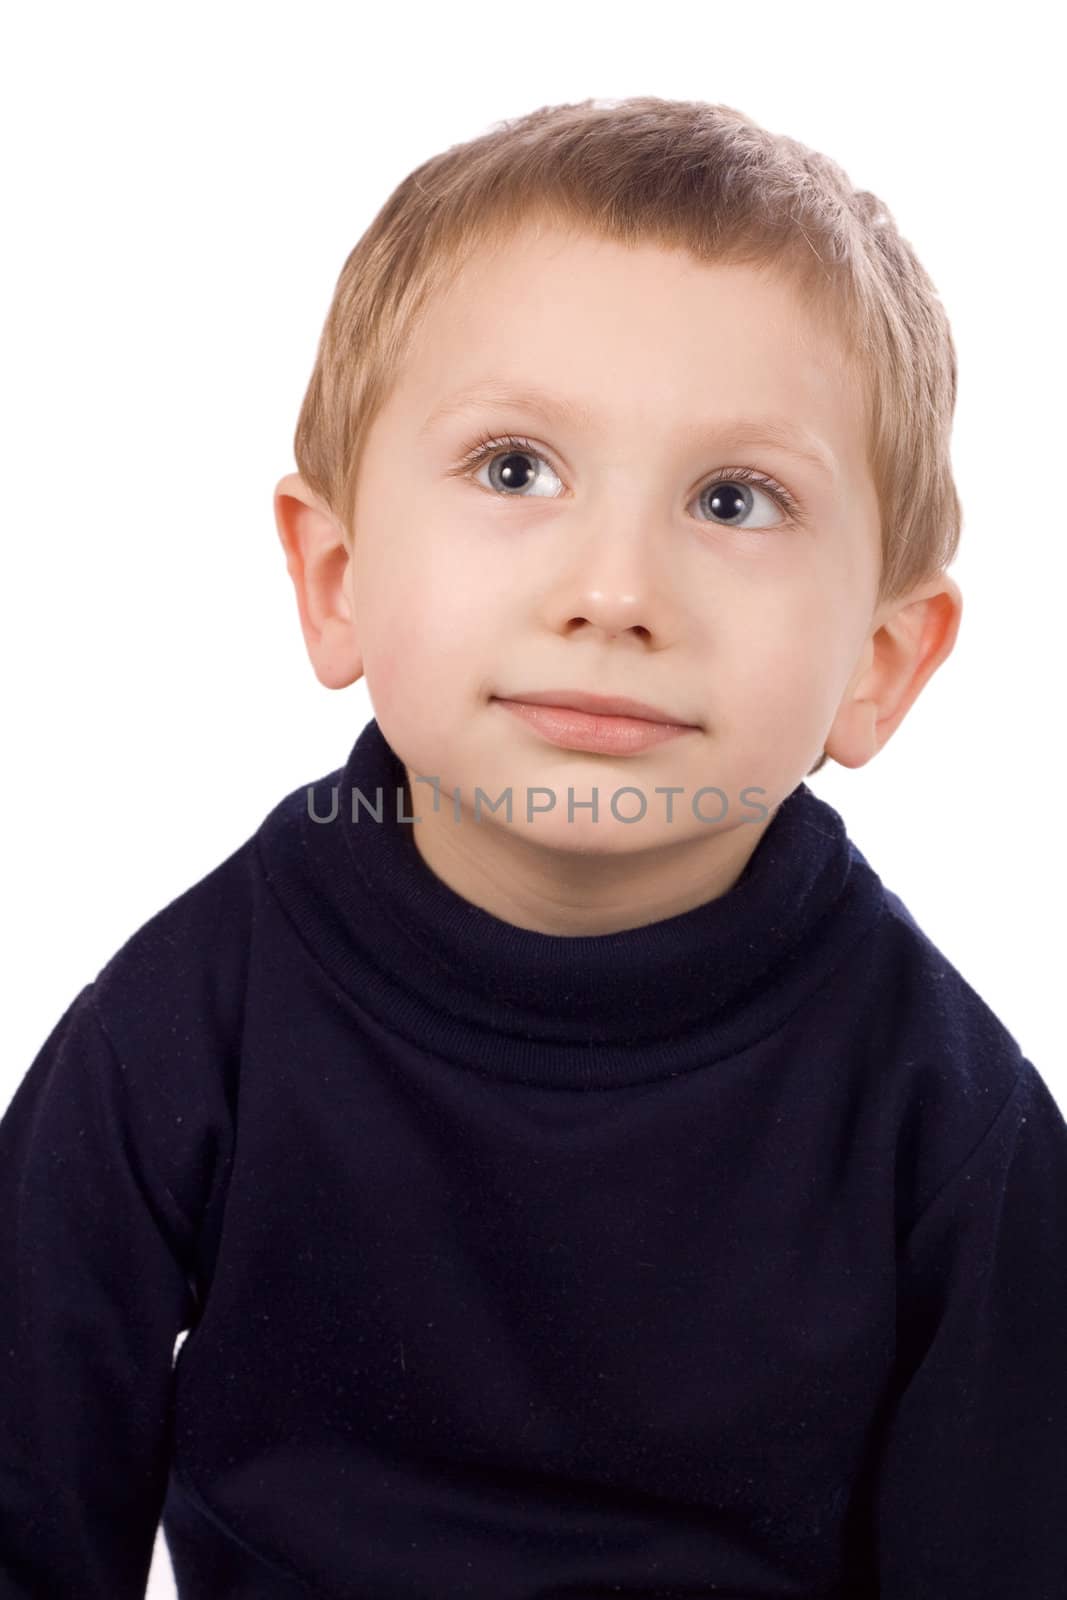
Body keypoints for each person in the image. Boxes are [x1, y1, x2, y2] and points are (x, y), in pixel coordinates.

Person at [2, 94, 1064, 1599]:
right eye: (515, 469)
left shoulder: (941, 1118)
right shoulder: (197, 1017)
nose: (614, 588)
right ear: (337, 576)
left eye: (734, 499)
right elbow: (31, 1472)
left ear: (885, 660)